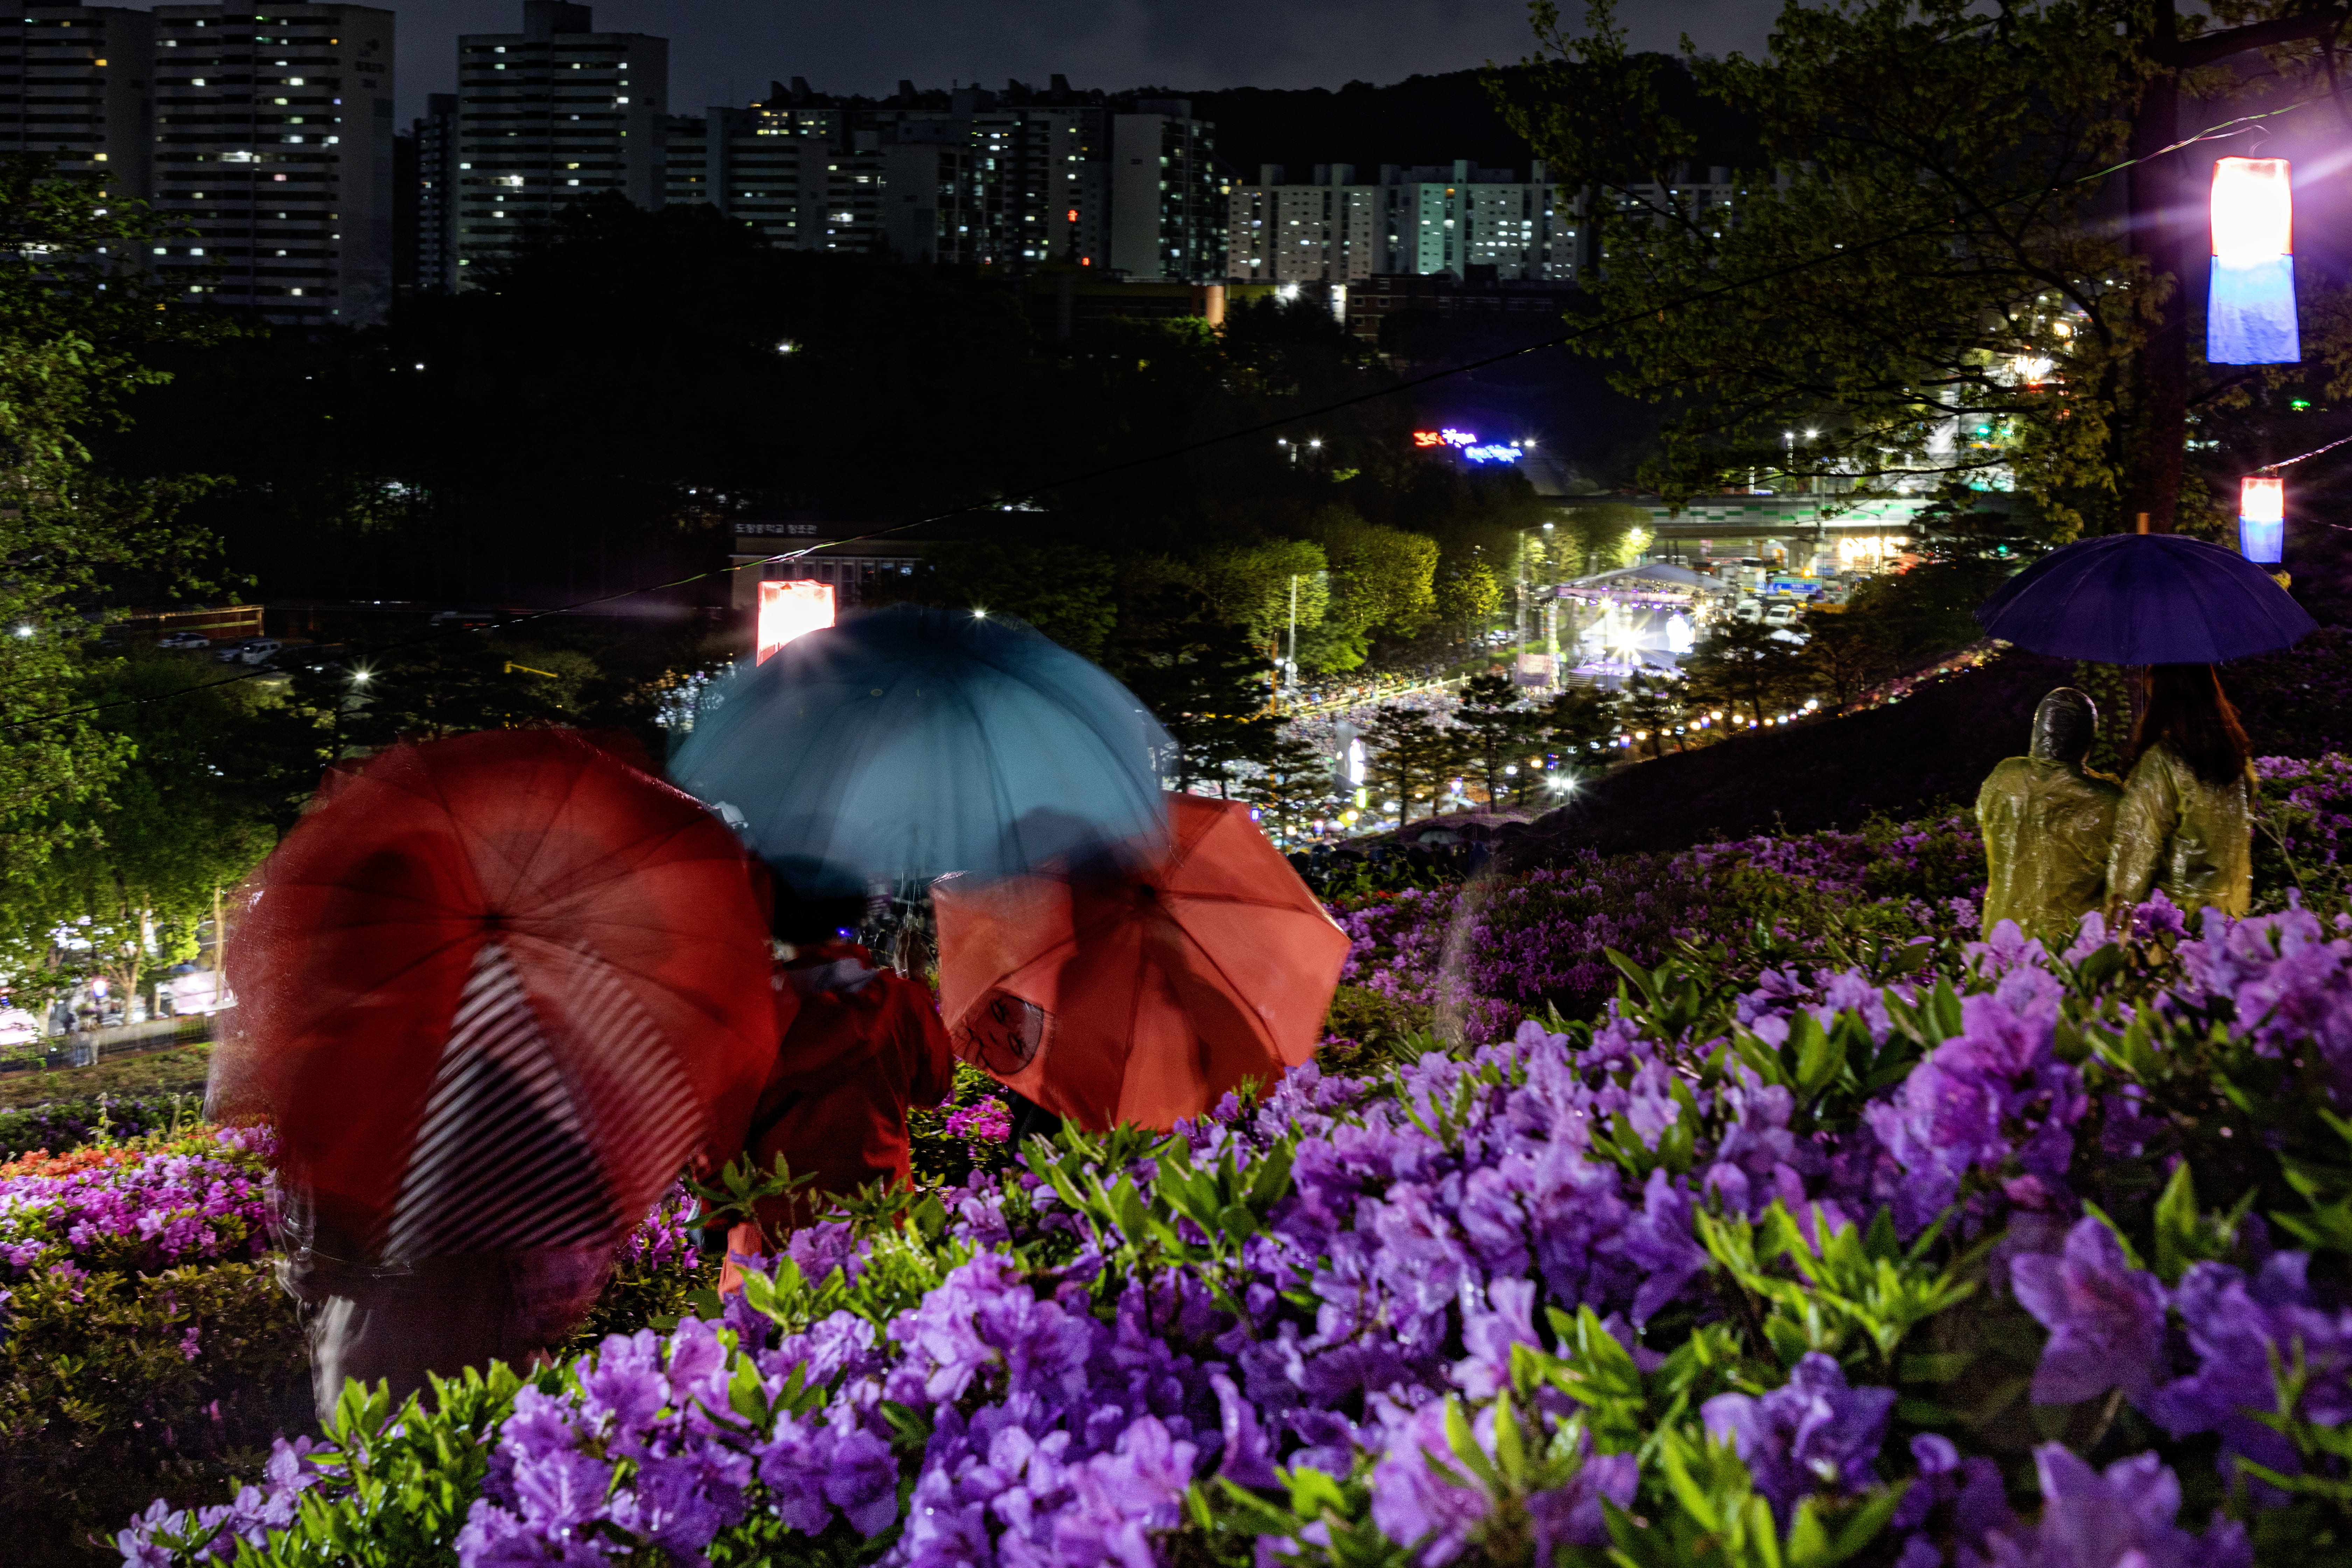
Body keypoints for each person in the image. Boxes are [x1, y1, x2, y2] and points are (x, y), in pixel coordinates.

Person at [716, 869, 955, 1293]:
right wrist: (917, 984)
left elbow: (717, 1138)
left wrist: (717, 1221)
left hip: (769, 1261)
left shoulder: (745, 1014)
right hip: (877, 1240)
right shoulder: (900, 1003)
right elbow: (933, 1088)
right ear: (855, 908)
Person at [2106, 663, 2255, 920]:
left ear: (2164, 697)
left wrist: (2113, 926)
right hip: (2229, 920)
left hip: (2173, 929)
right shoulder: (2238, 760)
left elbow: (2133, 857)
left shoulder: (2163, 762)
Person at [1976, 688, 2123, 946]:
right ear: (2088, 738)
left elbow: (1984, 820)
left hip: (2003, 939)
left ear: (2038, 731)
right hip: (2071, 948)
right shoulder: (2109, 799)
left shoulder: (2004, 777)